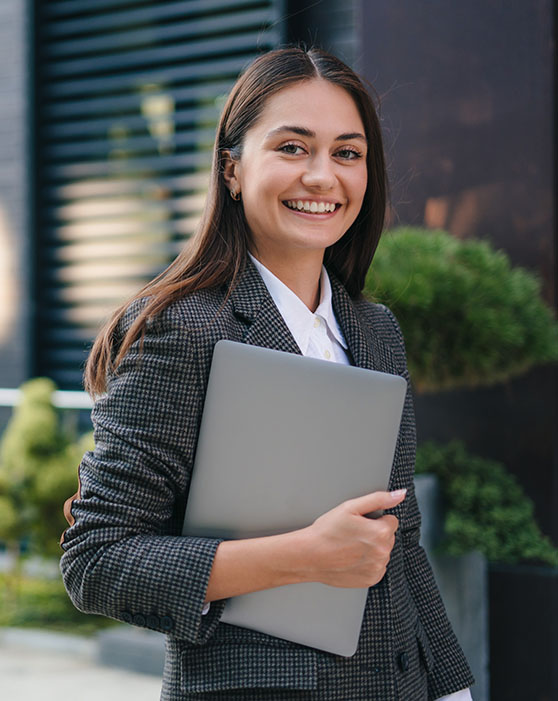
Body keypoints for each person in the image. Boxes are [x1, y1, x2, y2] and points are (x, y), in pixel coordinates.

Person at [60, 47, 474, 700]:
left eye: (347, 152)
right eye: (292, 147)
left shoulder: (374, 329)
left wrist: (451, 688)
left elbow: (404, 543)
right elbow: (96, 561)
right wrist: (305, 556)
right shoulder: (183, 329)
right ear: (231, 169)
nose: (322, 177)